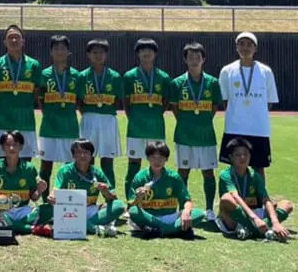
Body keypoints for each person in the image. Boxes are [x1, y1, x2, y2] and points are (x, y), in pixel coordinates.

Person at [170, 42, 222, 222]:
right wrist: (187, 122)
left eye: (197, 57)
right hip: (184, 135)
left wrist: (202, 121)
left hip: (206, 135)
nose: (194, 60)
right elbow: (175, 108)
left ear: (203, 59)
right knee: (183, 172)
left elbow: (215, 106)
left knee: (208, 172)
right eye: (190, 57)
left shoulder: (213, 83)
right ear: (185, 59)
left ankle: (209, 209)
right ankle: (181, 208)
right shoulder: (177, 83)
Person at [218, 32, 278, 181]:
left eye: (249, 44)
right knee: (234, 166)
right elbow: (225, 100)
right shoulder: (227, 71)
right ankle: (235, 199)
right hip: (235, 128)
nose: (245, 48)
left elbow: (269, 102)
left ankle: (261, 199)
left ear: (255, 48)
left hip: (258, 129)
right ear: (236, 47)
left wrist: (254, 114)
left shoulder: (266, 71)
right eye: (241, 44)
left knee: (259, 166)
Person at [41, 138, 127, 237]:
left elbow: (113, 198)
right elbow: (56, 189)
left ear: (91, 155)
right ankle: (93, 226)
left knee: (119, 205)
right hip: (69, 210)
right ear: (73, 155)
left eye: (86, 152)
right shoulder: (64, 171)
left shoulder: (97, 172)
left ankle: (83, 225)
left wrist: (106, 191)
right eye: (78, 152)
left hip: (90, 209)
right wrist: (51, 196)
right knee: (42, 210)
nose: (82, 155)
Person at [216, 136, 293, 241]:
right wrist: (255, 219)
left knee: (286, 204)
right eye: (238, 155)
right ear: (231, 157)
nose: (242, 157)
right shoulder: (226, 174)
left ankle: (254, 230)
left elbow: (265, 199)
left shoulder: (255, 175)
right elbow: (235, 196)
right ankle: (260, 229)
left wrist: (275, 222)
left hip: (253, 211)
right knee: (226, 198)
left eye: (245, 154)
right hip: (236, 216)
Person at [123, 38, 171, 201]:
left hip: (156, 127)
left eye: (149, 50)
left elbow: (165, 102)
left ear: (155, 54)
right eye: (142, 50)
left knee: (157, 165)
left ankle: (155, 199)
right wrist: (135, 117)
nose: (146, 53)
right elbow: (126, 103)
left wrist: (154, 115)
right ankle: (131, 200)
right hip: (136, 128)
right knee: (133, 165)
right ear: (137, 54)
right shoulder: (130, 76)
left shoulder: (163, 77)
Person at [37, 35, 82, 202]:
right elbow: (39, 98)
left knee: (70, 168)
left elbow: (80, 100)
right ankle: (46, 203)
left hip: (70, 128)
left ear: (68, 52)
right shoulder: (44, 74)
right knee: (45, 167)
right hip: (49, 127)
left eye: (63, 48)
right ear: (51, 52)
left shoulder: (77, 76)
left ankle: (67, 202)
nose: (59, 51)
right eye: (56, 48)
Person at [128, 141, 205, 238]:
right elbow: (132, 206)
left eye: (161, 157)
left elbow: (187, 201)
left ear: (166, 159)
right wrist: (139, 197)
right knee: (134, 211)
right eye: (153, 157)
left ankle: (159, 230)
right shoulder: (140, 177)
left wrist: (186, 211)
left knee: (199, 213)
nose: (157, 161)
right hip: (149, 217)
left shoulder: (173, 177)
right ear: (147, 158)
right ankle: (174, 229)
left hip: (170, 217)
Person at [0, 130, 48, 235]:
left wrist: (39, 190)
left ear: (21, 147)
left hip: (22, 210)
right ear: (2, 147)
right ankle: (29, 228)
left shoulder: (29, 168)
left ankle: (9, 225)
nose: (11, 148)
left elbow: (33, 198)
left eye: (15, 145)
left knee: (42, 210)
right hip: (1, 209)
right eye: (7, 145)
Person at [0, 25, 42, 162]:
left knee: (25, 161)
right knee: (0, 161)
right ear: (5, 42)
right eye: (10, 37)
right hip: (3, 120)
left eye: (17, 37)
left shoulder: (34, 65)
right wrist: (1, 105)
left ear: (23, 41)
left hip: (26, 120)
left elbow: (37, 90)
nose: (14, 40)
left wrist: (25, 104)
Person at [78, 39, 123, 190]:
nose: (98, 55)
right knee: (87, 159)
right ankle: (87, 192)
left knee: (107, 160)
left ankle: (110, 194)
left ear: (106, 55)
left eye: (101, 52)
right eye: (94, 52)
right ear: (88, 55)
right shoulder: (82, 76)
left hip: (108, 120)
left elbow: (118, 100)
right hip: (89, 119)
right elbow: (78, 100)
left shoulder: (115, 76)